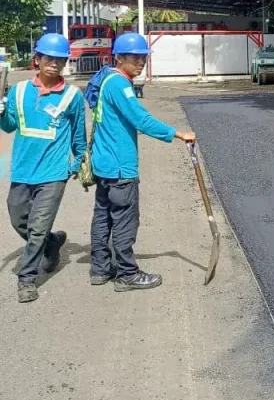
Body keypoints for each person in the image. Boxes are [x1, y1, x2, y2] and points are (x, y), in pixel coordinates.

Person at [89, 32, 196, 291]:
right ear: (119, 57)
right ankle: (127, 274)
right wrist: (178, 133)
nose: (140, 63)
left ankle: (100, 269)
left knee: (103, 217)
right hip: (120, 167)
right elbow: (141, 120)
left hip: (103, 164)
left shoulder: (106, 80)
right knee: (125, 219)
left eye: (143, 59)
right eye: (135, 58)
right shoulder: (120, 85)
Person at [0, 34, 86, 302]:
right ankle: (51, 242)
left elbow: (79, 137)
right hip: (23, 170)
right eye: (49, 58)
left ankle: (27, 279)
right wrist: (1, 112)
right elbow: (10, 126)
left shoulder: (72, 95)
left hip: (54, 173)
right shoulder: (19, 90)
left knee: (37, 227)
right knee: (18, 218)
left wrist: (75, 164)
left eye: (60, 60)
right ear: (37, 59)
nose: (54, 64)